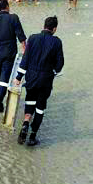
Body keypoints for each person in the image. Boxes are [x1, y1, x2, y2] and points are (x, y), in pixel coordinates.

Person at [14, 15, 64, 146]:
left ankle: (25, 124)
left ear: (44, 26)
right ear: (54, 29)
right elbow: (60, 63)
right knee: (40, 109)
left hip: (31, 79)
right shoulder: (57, 42)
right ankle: (32, 137)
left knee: (29, 104)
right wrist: (53, 72)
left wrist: (18, 77)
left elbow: (25, 59)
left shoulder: (33, 38)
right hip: (45, 80)